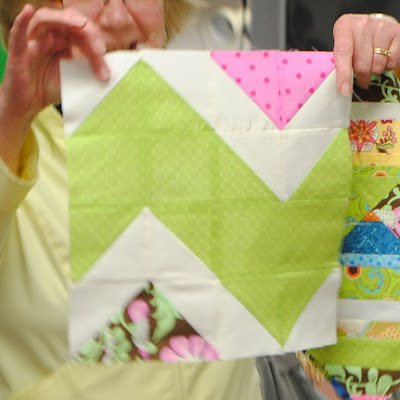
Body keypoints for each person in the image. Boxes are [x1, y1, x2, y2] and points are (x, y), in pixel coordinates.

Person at [0, 1, 399, 399]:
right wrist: (12, 118)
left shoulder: (231, 113)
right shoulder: (13, 145)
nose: (119, 16)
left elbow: (342, 274)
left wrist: (375, 69)